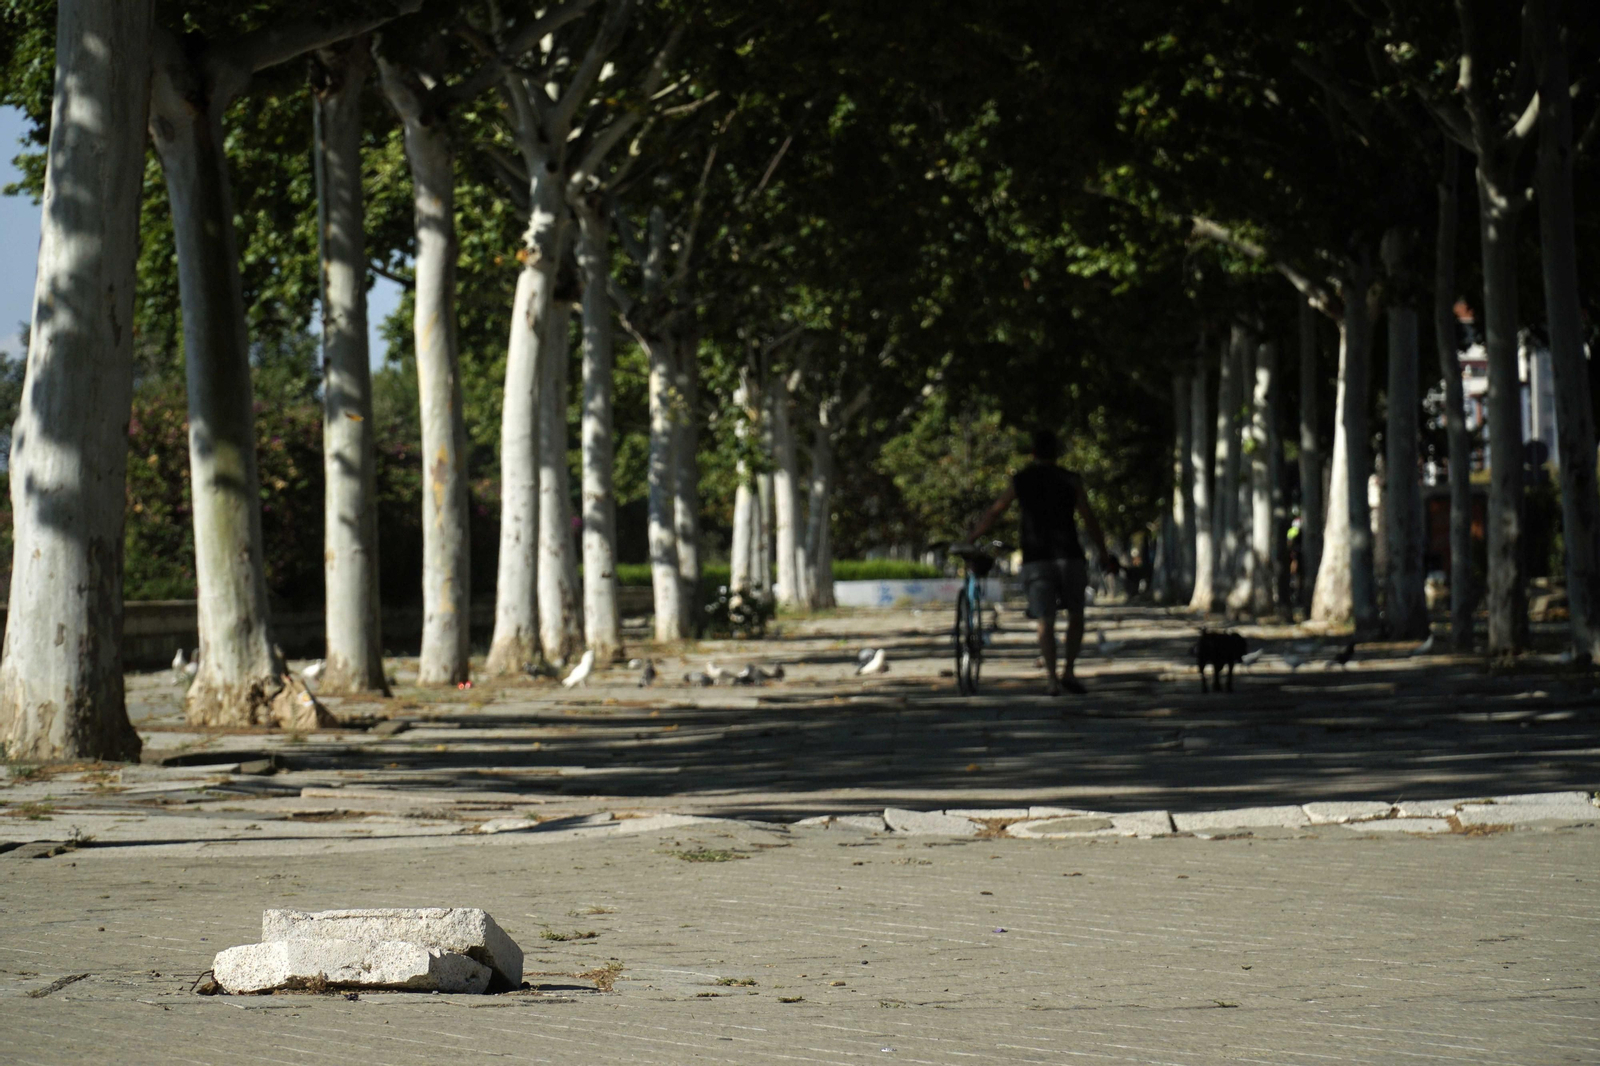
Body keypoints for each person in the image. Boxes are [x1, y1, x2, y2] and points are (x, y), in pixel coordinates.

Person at [966, 429, 1114, 696]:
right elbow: (1089, 518)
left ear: (1033, 453)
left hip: (1036, 559)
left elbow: (995, 511)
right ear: (1057, 454)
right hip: (1070, 556)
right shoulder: (1071, 479)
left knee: (1045, 620)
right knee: (1076, 615)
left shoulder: (1021, 480)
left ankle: (1051, 680)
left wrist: (973, 537)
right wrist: (1103, 552)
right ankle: (1069, 670)